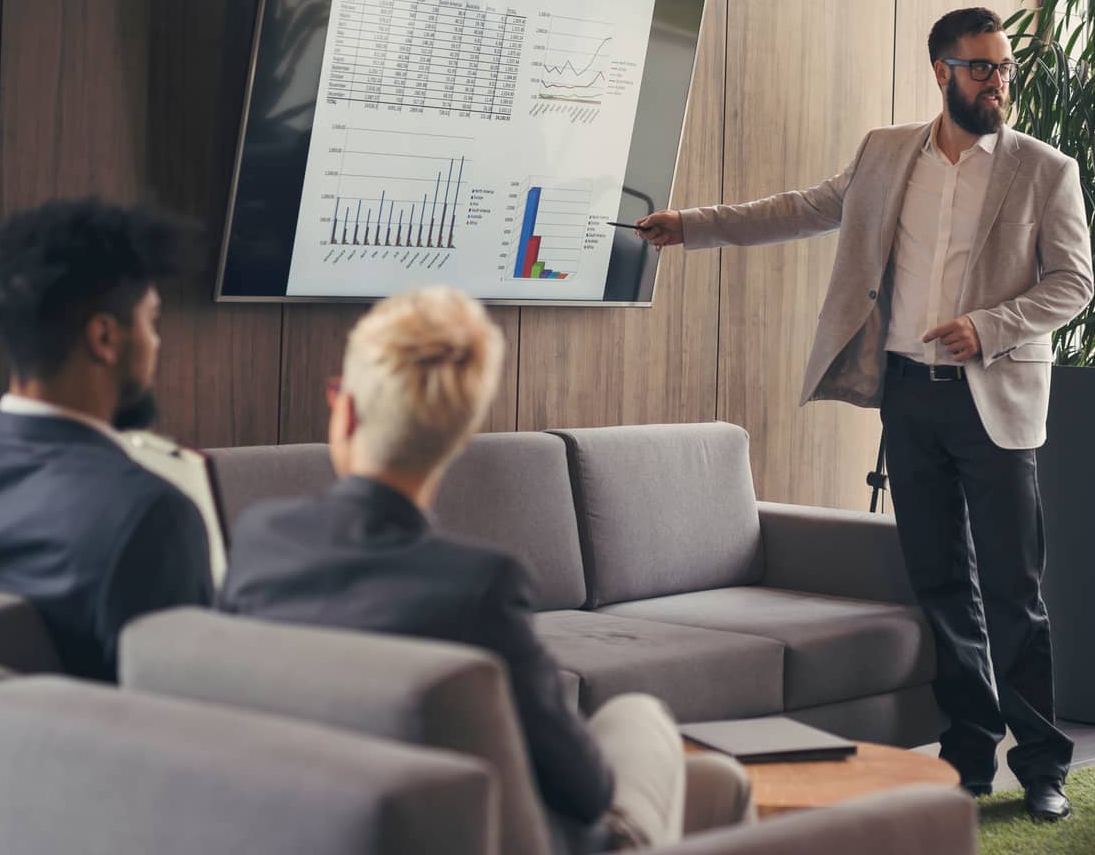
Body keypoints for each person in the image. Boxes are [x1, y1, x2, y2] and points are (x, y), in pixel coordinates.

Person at [636, 6, 1094, 822]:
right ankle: (966, 758)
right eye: (983, 68)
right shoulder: (886, 154)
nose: (1000, 82)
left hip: (996, 404)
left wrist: (987, 327)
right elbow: (801, 208)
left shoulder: (1043, 170)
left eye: (1005, 68)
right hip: (910, 397)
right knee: (942, 585)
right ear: (942, 72)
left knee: (1013, 589)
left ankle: (1043, 766)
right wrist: (692, 227)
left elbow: (1072, 284)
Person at [219, 286, 749, 851]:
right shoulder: (475, 587)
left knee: (719, 783)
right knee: (643, 718)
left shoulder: (260, 542)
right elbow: (587, 790)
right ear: (458, 438)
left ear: (343, 406)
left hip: (326, 829)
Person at [0, 198, 213, 680]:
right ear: (105, 338)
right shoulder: (151, 516)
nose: (156, 343)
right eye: (151, 321)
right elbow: (184, 720)